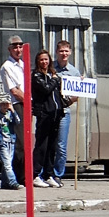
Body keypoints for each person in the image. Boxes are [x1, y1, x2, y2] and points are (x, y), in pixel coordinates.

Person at [31, 49, 64, 188]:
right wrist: (55, 80)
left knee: (52, 146)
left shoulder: (52, 74)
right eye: (41, 60)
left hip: (56, 114)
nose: (44, 62)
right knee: (41, 146)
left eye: (46, 59)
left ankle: (48, 174)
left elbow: (58, 93)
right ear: (38, 62)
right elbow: (45, 89)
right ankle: (35, 175)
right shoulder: (36, 75)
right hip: (44, 114)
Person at [52, 40, 81, 183]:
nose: (64, 54)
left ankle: (58, 174)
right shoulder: (50, 68)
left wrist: (67, 102)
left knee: (61, 145)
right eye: (61, 51)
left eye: (66, 51)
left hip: (64, 112)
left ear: (70, 53)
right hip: (50, 112)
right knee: (49, 143)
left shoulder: (74, 72)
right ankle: (46, 173)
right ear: (57, 52)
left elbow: (77, 94)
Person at [0, 35, 26, 182]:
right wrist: (29, 101)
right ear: (9, 49)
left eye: (20, 46)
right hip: (16, 105)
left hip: (26, 104)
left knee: (25, 141)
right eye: (15, 47)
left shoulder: (23, 64)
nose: (18, 49)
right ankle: (16, 177)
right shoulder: (7, 67)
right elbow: (14, 91)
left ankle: (19, 175)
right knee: (19, 143)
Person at [0, 95, 20, 190]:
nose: (4, 106)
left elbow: (18, 122)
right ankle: (13, 182)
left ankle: (4, 183)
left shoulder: (10, 114)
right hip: (1, 141)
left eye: (6, 104)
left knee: (7, 163)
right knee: (7, 163)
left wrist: (13, 111)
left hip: (11, 141)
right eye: (2, 104)